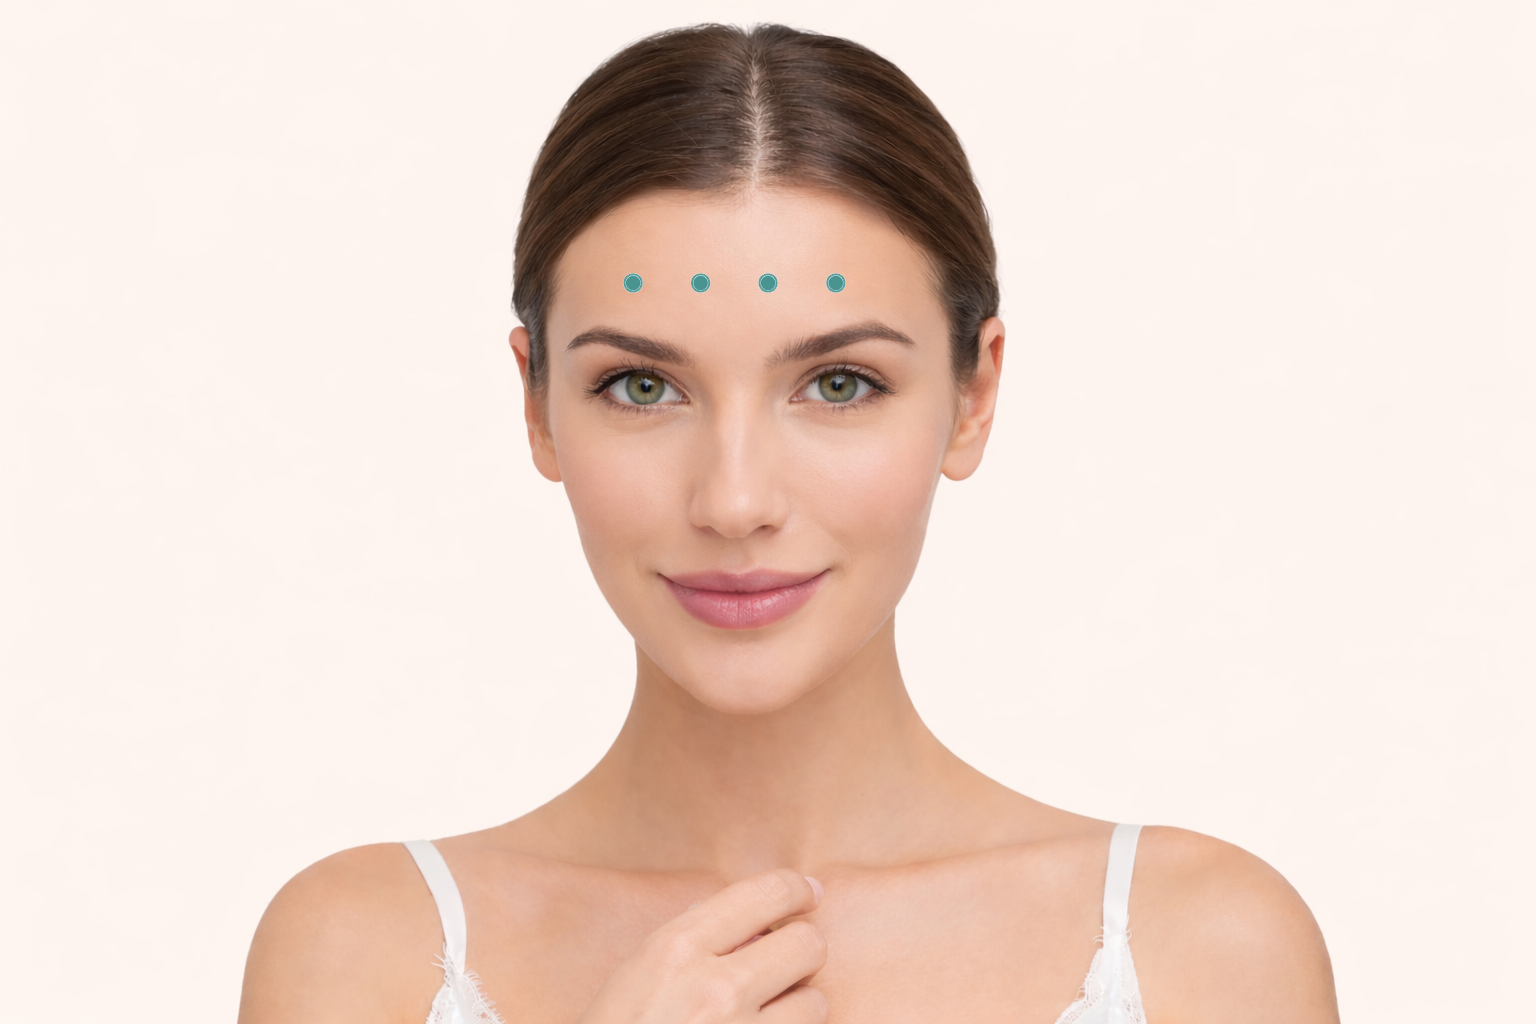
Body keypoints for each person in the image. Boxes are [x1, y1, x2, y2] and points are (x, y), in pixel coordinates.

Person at [238, 23, 1338, 1024]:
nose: (735, 502)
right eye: (641, 387)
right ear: (537, 407)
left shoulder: (1201, 952)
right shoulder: (364, 957)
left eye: (840, 384)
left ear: (974, 395)